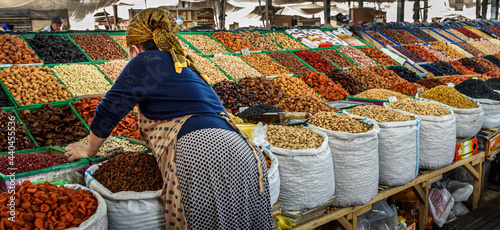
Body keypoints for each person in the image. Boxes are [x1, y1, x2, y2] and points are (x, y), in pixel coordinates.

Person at [64, 8, 272, 230]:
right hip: (244, 151)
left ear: (134, 49)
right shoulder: (187, 66)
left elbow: (110, 108)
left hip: (201, 152)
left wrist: (89, 150)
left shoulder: (145, 60)